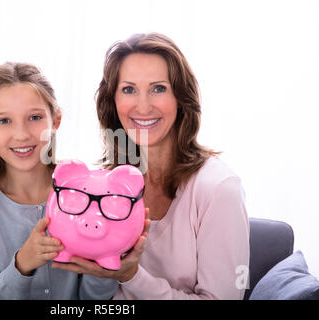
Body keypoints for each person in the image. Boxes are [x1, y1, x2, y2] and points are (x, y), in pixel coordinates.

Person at [53, 33, 250, 300]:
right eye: (129, 89)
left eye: (158, 88)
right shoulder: (106, 183)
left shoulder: (219, 188)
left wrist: (131, 276)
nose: (143, 106)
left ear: (181, 98)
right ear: (113, 101)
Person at [0, 62, 118, 299]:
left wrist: (106, 264)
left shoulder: (86, 195)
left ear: (55, 120)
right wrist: (22, 263)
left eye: (35, 117)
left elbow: (95, 299)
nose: (21, 134)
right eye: (4, 121)